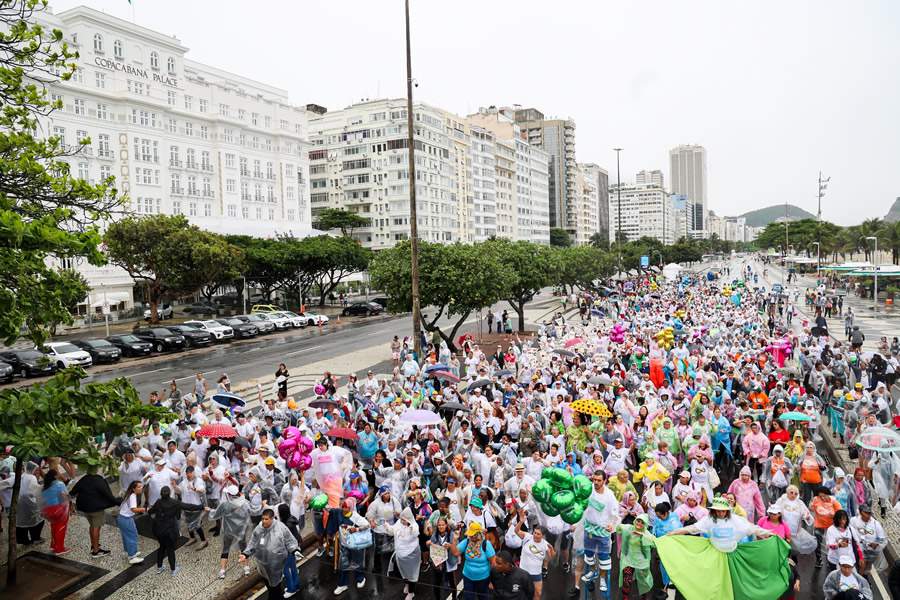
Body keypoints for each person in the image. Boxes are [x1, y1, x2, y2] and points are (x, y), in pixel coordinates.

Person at [240, 508, 298, 600]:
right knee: (269, 586)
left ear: (272, 518)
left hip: (276, 565)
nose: (264, 521)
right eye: (262, 519)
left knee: (275, 588)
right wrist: (245, 554)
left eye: (266, 519)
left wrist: (294, 550)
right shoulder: (259, 528)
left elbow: (289, 540)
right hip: (263, 565)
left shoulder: (281, 528)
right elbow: (253, 542)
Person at [148, 485, 202, 575]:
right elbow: (189, 506)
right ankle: (173, 569)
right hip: (169, 530)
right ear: (170, 493)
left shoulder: (158, 502)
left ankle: (159, 567)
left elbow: (150, 512)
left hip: (158, 529)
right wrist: (201, 506)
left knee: (161, 546)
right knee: (170, 549)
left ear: (161, 494)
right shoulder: (174, 502)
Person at [70, 465, 118, 557]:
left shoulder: (84, 478)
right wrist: (118, 502)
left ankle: (94, 545)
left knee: (92, 526)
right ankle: (96, 551)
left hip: (85, 508)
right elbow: (107, 494)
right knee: (96, 528)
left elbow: (73, 492)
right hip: (96, 509)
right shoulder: (99, 480)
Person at [210, 484, 253, 579]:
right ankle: (246, 568)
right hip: (240, 530)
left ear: (229, 495)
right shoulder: (245, 503)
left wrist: (209, 510)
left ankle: (222, 570)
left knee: (226, 548)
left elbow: (214, 515)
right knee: (243, 548)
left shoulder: (225, 505)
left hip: (228, 531)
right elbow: (251, 512)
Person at [449, 521, 495, 600]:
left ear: (479, 534)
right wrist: (454, 540)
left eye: (473, 535)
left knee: (483, 597)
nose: (471, 536)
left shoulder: (486, 544)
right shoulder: (466, 542)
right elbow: (455, 553)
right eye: (470, 534)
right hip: (468, 577)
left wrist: (492, 581)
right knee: (468, 597)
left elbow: (493, 563)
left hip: (483, 579)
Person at [334, 498, 371, 596]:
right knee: (343, 564)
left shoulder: (355, 516)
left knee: (357, 562)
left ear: (350, 507)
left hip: (355, 545)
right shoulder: (339, 513)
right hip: (344, 544)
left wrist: (357, 529)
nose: (343, 508)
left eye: (345, 507)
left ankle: (360, 578)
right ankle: (342, 584)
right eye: (343, 506)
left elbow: (367, 525)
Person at [615, 513, 656, 600]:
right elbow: (618, 528)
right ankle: (625, 597)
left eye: (642, 522)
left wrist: (643, 536)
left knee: (644, 580)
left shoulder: (646, 533)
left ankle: (644, 596)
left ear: (645, 524)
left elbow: (654, 543)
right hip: (628, 559)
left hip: (641, 561)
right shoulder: (629, 528)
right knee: (627, 579)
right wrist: (612, 527)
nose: (639, 523)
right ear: (635, 520)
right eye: (638, 520)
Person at [388, 507, 422, 600]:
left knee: (411, 574)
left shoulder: (414, 525)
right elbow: (392, 530)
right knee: (403, 572)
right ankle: (406, 584)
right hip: (400, 554)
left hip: (411, 555)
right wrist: (386, 526)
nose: (401, 521)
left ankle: (411, 592)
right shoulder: (399, 522)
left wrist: (410, 527)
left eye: (404, 520)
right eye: (401, 519)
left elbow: (415, 532)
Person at [849, 504, 886, 576]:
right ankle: (859, 580)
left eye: (869, 513)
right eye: (866, 513)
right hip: (857, 548)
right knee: (861, 565)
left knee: (866, 567)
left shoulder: (876, 524)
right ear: (860, 512)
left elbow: (881, 538)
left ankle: (863, 577)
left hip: (870, 550)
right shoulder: (854, 520)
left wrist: (876, 543)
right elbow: (849, 531)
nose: (868, 515)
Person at [427, 516, 459, 600]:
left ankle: (454, 597)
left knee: (452, 582)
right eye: (439, 525)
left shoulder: (452, 534)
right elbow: (431, 547)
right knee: (436, 583)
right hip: (439, 562)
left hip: (449, 562)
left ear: (446, 525)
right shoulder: (435, 535)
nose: (441, 527)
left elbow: (457, 549)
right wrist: (428, 544)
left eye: (442, 525)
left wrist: (451, 545)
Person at [40, 469, 70, 555]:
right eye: (58, 473)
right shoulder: (59, 484)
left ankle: (53, 545)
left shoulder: (45, 485)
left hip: (48, 510)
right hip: (59, 509)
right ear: (55, 476)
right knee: (61, 528)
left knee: (54, 527)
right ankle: (59, 548)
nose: (60, 475)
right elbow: (65, 496)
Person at [117, 480, 146, 564]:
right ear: (134, 489)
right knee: (132, 536)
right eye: (139, 487)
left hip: (122, 518)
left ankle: (129, 551)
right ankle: (132, 556)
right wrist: (144, 509)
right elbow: (133, 509)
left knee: (127, 535)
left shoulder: (130, 494)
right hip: (126, 519)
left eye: (141, 486)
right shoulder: (133, 496)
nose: (141, 488)